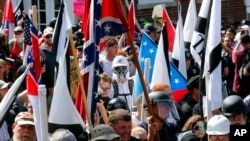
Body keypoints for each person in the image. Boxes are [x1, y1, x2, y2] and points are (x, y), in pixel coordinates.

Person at [40, 27, 56, 103]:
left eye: (51, 36)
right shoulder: (40, 52)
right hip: (46, 90)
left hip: (59, 85)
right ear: (43, 37)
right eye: (47, 36)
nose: (50, 38)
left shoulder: (59, 50)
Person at [232, 34, 250, 98]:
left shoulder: (238, 54)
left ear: (241, 43)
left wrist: (238, 43)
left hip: (239, 85)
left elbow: (233, 53)